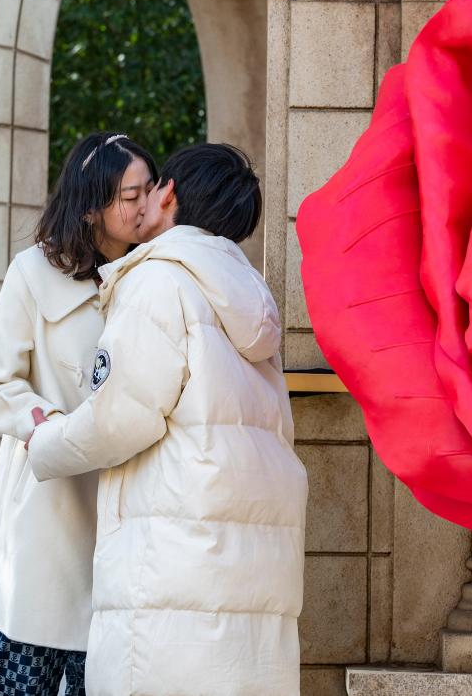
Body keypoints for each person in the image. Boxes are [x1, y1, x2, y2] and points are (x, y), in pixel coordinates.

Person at [26, 143, 308, 696]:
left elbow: (119, 419)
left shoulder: (160, 282)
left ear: (169, 194)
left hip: (171, 578)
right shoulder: (246, 298)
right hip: (246, 581)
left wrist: (46, 441)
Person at [0, 133, 157, 696]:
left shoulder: (154, 274)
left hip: (127, 519)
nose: (145, 204)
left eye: (151, 189)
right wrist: (54, 425)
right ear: (90, 205)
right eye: (131, 194)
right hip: (46, 518)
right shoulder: (32, 274)